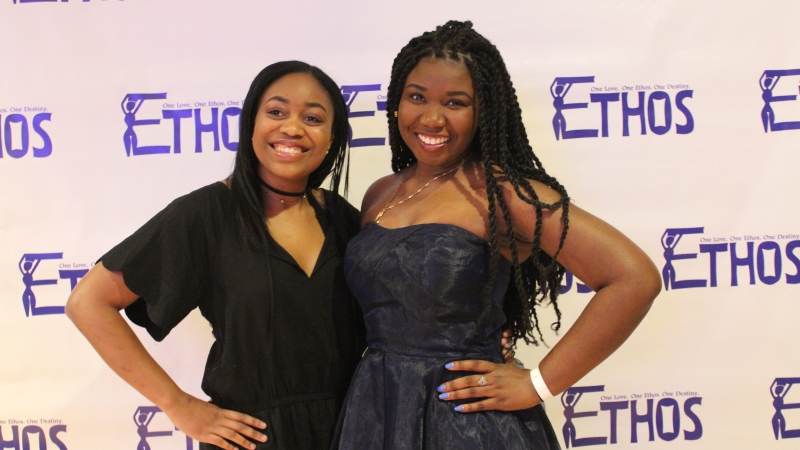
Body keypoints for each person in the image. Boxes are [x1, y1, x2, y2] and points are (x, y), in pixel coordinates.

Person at [330, 21, 661, 449]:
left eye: (455, 102)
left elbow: (634, 278)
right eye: (417, 97)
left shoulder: (505, 193)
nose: (432, 117)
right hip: (377, 408)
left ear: (483, 110)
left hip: (467, 421)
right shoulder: (381, 192)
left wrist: (538, 383)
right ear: (396, 103)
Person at [66, 61, 366, 450]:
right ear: (251, 124)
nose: (292, 127)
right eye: (276, 112)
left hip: (350, 430)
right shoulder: (206, 214)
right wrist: (177, 405)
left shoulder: (342, 218)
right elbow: (87, 302)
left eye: (312, 117)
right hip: (252, 438)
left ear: (332, 136)